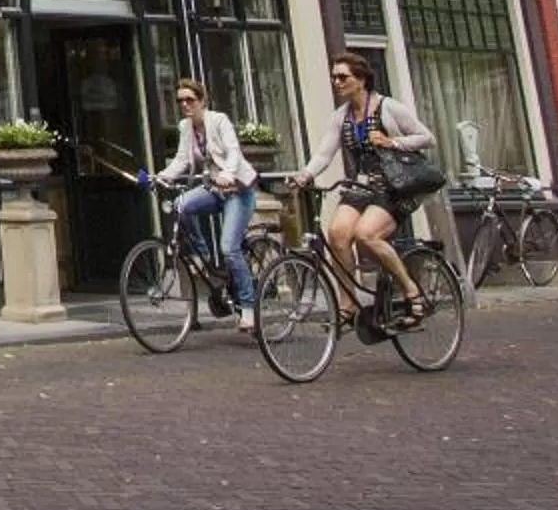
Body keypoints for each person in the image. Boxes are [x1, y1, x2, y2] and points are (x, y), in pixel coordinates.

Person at [288, 51, 435, 326]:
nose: (337, 82)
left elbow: (428, 138)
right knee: (337, 234)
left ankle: (412, 292)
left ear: (362, 79)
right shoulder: (340, 117)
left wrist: (394, 142)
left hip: (393, 186)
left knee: (366, 235)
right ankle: (348, 305)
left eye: (343, 77)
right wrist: (305, 174)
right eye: (334, 77)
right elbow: (324, 153)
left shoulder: (388, 108)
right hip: (362, 184)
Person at [142, 78, 260, 333]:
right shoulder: (186, 127)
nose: (185, 105)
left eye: (190, 100)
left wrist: (228, 173)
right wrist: (160, 177)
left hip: (237, 190)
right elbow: (182, 160)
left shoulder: (219, 120)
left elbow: (233, 151)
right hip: (214, 189)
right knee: (180, 204)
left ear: (202, 101)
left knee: (230, 248)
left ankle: (248, 308)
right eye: (180, 101)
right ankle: (203, 254)